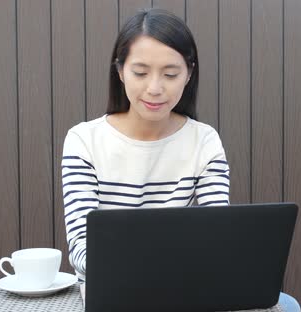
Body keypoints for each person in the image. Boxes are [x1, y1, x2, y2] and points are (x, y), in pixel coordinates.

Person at [61, 8, 230, 282]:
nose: (154, 88)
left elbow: (218, 235)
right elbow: (82, 250)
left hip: (180, 289)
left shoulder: (204, 141)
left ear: (189, 75)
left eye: (171, 74)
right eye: (140, 73)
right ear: (120, 71)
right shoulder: (84, 141)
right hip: (111, 290)